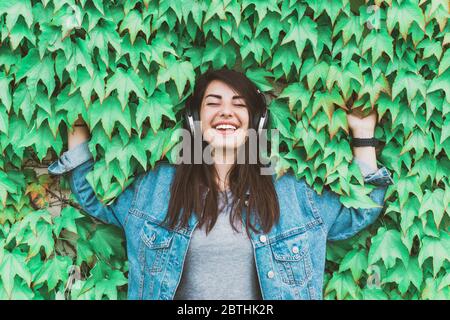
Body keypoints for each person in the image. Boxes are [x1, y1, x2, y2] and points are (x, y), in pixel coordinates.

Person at [48, 68, 394, 300]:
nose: (226, 111)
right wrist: (77, 126)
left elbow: (357, 213)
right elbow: (96, 198)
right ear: (194, 120)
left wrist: (363, 136)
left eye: (238, 104)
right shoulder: (158, 189)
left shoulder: (290, 192)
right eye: (213, 103)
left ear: (256, 123)